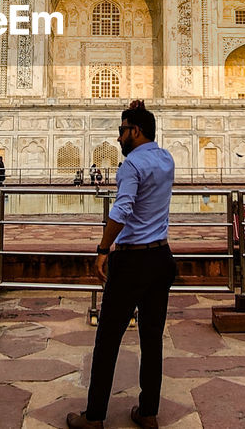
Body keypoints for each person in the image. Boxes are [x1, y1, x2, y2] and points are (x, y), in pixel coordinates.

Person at [67, 100, 175, 429]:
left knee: (108, 339)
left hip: (132, 261)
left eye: (122, 131)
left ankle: (95, 416)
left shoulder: (130, 167)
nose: (118, 139)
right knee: (152, 338)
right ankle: (148, 411)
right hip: (161, 258)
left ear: (136, 131)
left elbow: (122, 209)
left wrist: (102, 248)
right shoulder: (166, 159)